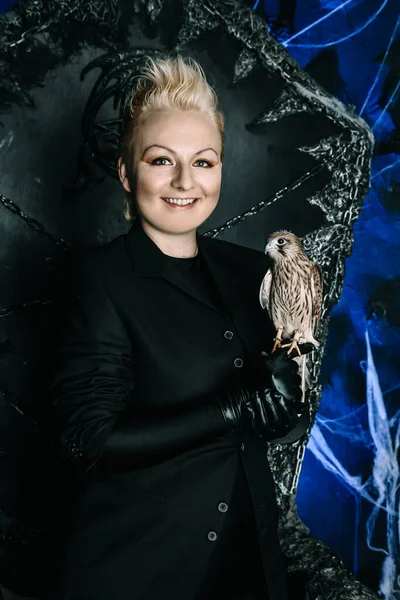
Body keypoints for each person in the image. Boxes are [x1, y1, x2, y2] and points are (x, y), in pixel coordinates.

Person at [44, 54, 313, 600]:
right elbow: (88, 442)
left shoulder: (254, 273)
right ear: (126, 171)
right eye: (162, 160)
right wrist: (228, 407)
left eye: (205, 162)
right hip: (137, 570)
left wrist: (288, 402)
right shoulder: (97, 278)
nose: (185, 181)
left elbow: (277, 419)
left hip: (249, 571)